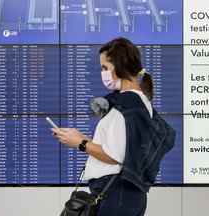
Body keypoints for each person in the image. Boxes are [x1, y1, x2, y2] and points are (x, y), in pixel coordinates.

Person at [52, 37, 165, 216]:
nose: (102, 72)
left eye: (105, 67)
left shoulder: (126, 105)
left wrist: (80, 143)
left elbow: (115, 156)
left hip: (115, 192)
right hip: (125, 194)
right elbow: (122, 150)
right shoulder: (139, 102)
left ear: (120, 66)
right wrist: (83, 139)